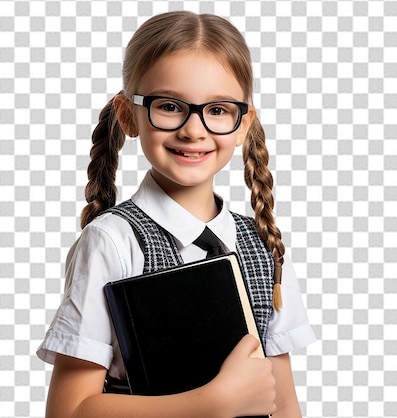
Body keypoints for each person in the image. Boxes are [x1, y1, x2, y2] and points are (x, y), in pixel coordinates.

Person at [37, 11, 316, 418]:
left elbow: (284, 404)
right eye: (169, 106)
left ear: (243, 124)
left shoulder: (263, 248)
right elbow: (69, 411)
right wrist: (212, 403)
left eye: (218, 110)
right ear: (128, 114)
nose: (193, 130)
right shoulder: (112, 242)